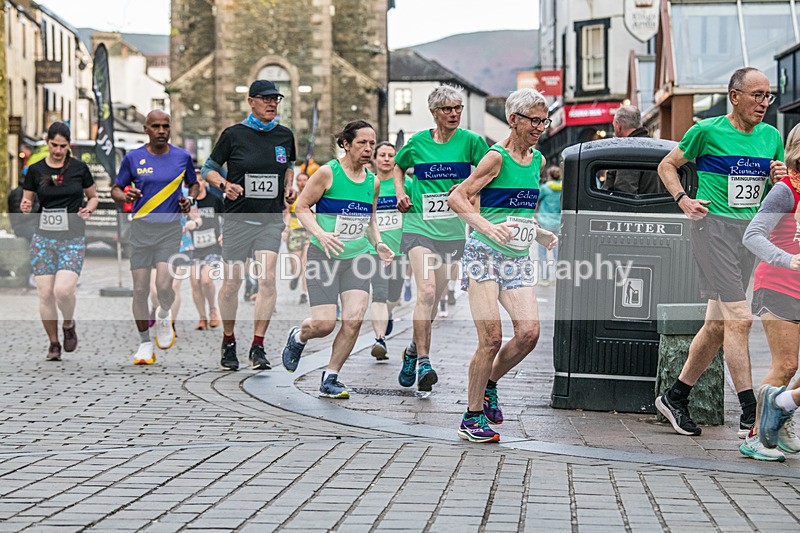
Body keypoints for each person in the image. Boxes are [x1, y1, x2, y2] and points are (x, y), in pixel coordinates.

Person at [654, 68, 786, 458]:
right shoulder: (705, 131)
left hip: (748, 235)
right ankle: (750, 423)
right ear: (734, 96)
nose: (764, 103)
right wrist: (684, 200)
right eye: (757, 95)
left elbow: (774, 184)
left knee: (716, 325)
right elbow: (667, 165)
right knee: (740, 319)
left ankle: (675, 397)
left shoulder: (771, 137)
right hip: (711, 229)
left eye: (768, 96)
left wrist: (778, 176)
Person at [448, 89, 558, 443]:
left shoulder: (538, 161)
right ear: (514, 120)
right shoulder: (495, 158)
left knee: (529, 334)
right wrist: (485, 226)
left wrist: (538, 231)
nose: (540, 127)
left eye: (544, 120)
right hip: (483, 254)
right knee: (491, 338)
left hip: (517, 257)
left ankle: (490, 384)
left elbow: (516, 210)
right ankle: (472, 416)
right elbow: (457, 197)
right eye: (534, 120)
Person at [281, 120, 394, 398]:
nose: (368, 149)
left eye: (371, 143)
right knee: (324, 324)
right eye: (362, 143)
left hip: (357, 257)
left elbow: (370, 219)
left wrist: (378, 243)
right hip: (324, 255)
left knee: (354, 320)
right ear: (346, 144)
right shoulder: (327, 173)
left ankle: (331, 376)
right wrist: (322, 233)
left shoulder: (373, 181)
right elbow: (302, 208)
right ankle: (299, 336)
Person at [393, 85, 489, 392]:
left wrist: (466, 187)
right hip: (419, 227)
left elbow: (490, 171)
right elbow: (398, 165)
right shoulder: (418, 142)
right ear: (435, 113)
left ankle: (410, 349)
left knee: (433, 300)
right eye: (447, 109)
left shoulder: (472, 142)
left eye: (458, 108)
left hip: (451, 232)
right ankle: (424, 362)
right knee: (427, 290)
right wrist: (400, 191)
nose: (454, 113)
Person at [203, 79, 297, 371]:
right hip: (237, 219)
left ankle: (258, 345)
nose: (272, 104)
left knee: (267, 279)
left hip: (269, 220)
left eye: (276, 99)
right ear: (251, 101)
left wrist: (289, 187)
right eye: (266, 99)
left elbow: (289, 167)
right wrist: (225, 184)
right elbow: (208, 169)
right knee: (232, 283)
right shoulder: (233, 135)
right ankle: (229, 339)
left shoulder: (284, 135)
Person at [111, 110, 197, 365]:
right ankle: (145, 343)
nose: (161, 130)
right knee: (139, 290)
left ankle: (164, 313)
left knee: (162, 287)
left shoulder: (182, 157)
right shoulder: (133, 158)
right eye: (156, 126)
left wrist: (189, 199)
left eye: (165, 126)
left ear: (170, 129)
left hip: (169, 230)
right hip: (140, 230)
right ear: (146, 129)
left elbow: (194, 184)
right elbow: (115, 188)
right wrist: (124, 196)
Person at [743, 123, 800, 461]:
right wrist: (787, 259)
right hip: (777, 284)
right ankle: (755, 436)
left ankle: (779, 416)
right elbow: (752, 235)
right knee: (786, 364)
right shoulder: (784, 191)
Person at [20, 122, 98, 361]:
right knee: (45, 294)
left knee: (63, 291)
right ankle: (53, 343)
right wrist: (25, 207)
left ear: (68, 145)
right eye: (54, 145)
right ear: (47, 142)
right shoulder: (35, 170)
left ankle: (68, 323)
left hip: (72, 238)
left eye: (63, 146)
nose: (57, 150)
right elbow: (27, 201)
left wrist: (88, 209)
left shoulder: (79, 169)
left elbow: (92, 197)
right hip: (43, 238)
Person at [369, 142, 410, 360]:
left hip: (399, 251)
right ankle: (379, 339)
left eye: (390, 155)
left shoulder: (405, 184)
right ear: (375, 159)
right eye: (382, 155)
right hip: (374, 249)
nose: (386, 159)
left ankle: (388, 314)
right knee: (380, 292)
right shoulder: (368, 183)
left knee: (394, 295)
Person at [189, 171, 223, 330]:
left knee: (206, 280)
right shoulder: (188, 202)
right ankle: (202, 317)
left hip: (213, 247)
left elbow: (226, 218)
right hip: (194, 248)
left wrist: (224, 234)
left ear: (205, 183)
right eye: (195, 181)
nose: (199, 183)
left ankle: (213, 310)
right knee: (195, 282)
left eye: (201, 180)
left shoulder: (214, 200)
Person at [605, 105, 664, 195]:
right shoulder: (657, 147)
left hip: (640, 208)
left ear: (618, 125)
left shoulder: (628, 152)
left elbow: (624, 194)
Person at [285, 171, 311, 304]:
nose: (302, 183)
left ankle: (304, 292)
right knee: (296, 265)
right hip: (295, 232)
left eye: (305, 180)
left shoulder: (313, 194)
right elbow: (287, 213)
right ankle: (295, 276)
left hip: (307, 232)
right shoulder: (292, 196)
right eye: (299, 180)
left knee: (305, 263)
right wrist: (286, 229)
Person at [535, 166, 562, 285]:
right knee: (557, 252)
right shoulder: (563, 189)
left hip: (544, 222)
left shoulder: (545, 188)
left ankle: (544, 278)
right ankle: (557, 278)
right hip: (558, 222)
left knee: (542, 252)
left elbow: (536, 199)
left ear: (549, 176)